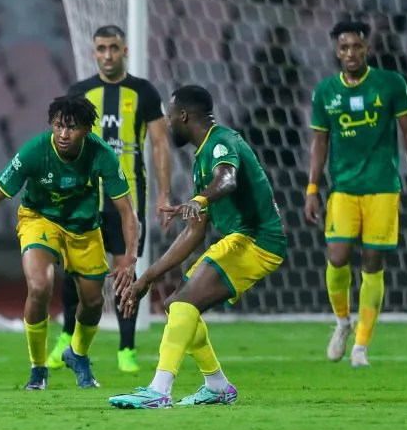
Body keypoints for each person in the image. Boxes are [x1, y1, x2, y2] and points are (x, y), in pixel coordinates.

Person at [109, 85, 287, 409]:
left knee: (183, 305)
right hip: (241, 238)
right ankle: (217, 386)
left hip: (257, 239)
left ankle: (159, 391)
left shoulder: (222, 142)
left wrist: (200, 198)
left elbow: (228, 179)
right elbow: (194, 232)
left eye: (169, 117)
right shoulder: (202, 156)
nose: (167, 123)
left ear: (183, 116)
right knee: (178, 305)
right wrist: (146, 278)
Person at [0, 95, 139, 391]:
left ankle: (77, 354)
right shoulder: (35, 151)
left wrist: (129, 257)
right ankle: (37, 369)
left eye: (72, 128)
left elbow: (127, 212)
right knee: (39, 286)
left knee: (93, 302)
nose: (63, 134)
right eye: (58, 126)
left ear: (87, 130)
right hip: (39, 219)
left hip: (84, 228)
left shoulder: (101, 154)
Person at [48, 25, 171, 374]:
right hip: (85, 197)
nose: (107, 55)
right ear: (94, 52)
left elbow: (160, 143)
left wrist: (163, 193)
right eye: (101, 48)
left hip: (128, 198)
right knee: (73, 270)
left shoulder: (143, 92)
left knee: (125, 270)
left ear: (125, 50)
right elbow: (63, 142)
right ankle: (67, 336)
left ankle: (126, 348)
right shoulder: (81, 92)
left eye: (113, 48)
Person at [305, 21, 407, 368]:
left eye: (357, 47)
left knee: (373, 263)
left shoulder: (391, 84)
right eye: (344, 48)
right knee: (338, 255)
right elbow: (320, 143)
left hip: (383, 188)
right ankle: (342, 322)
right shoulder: (326, 91)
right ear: (336, 51)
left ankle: (361, 345)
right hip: (343, 188)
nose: (351, 54)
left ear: (367, 49)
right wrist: (312, 189)